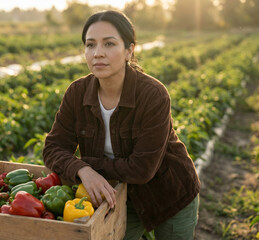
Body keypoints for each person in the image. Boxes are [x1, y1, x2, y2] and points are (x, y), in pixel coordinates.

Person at [43, 10, 200, 240]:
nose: (98, 53)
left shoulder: (153, 95)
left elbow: (142, 168)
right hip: (116, 197)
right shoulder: (77, 93)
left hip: (169, 195)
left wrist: (89, 166)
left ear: (129, 50)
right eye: (90, 45)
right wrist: (82, 170)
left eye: (109, 44)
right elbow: (53, 147)